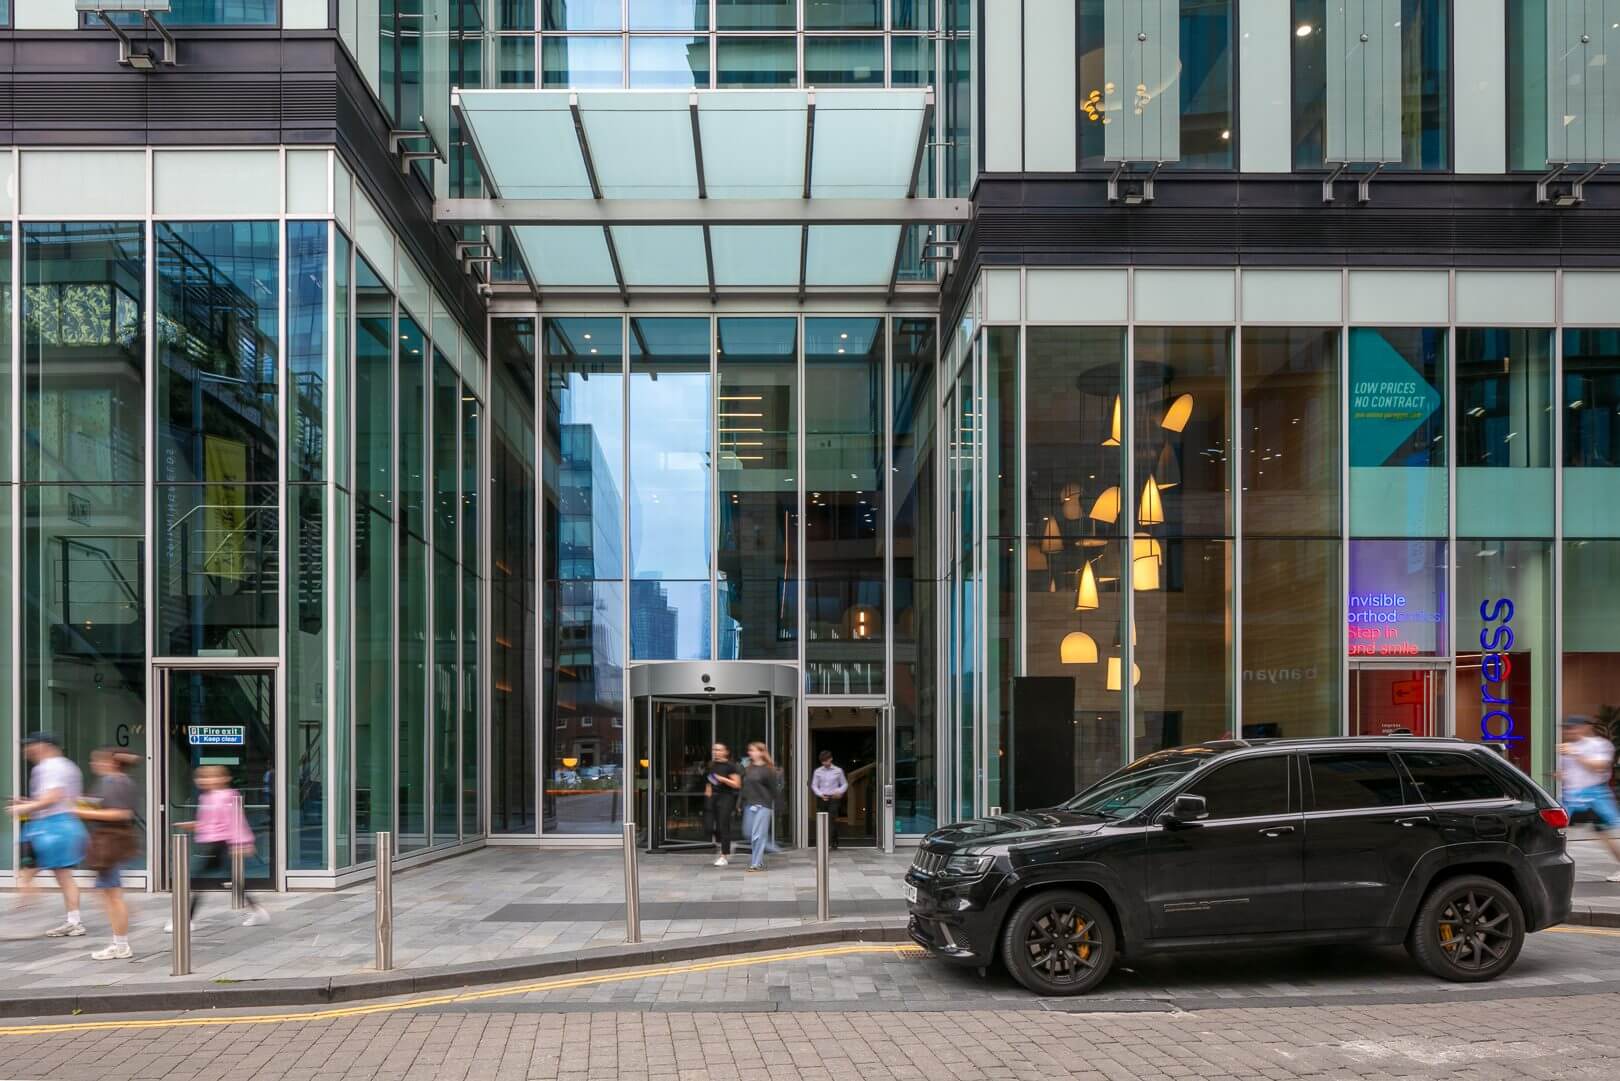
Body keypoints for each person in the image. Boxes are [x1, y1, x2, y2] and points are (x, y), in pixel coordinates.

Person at [6, 733, 87, 937]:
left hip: (51, 827)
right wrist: (28, 803)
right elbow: (57, 798)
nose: (26, 750)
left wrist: (24, 808)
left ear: (45, 746)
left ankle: (24, 912)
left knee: (29, 872)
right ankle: (73, 921)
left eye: (30, 745)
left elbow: (53, 796)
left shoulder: (50, 767)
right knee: (61, 875)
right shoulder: (67, 766)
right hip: (62, 825)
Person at [171, 765, 270, 930]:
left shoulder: (227, 796)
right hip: (211, 842)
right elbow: (209, 822)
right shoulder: (206, 797)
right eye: (201, 777)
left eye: (210, 777)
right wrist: (193, 825)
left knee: (200, 881)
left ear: (224, 779)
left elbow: (235, 822)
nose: (204, 781)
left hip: (221, 843)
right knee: (230, 881)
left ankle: (186, 920)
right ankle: (258, 911)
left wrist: (242, 842)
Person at [78, 749, 141, 960]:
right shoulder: (117, 781)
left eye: (97, 760)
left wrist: (83, 812)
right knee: (108, 893)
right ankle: (120, 940)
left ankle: (121, 944)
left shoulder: (114, 782)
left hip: (111, 843)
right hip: (112, 843)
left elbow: (121, 813)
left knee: (112, 895)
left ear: (110, 762)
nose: (93, 764)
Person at [1559, 716, 1620, 883]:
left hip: (1594, 799)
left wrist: (1575, 754)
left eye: (1572, 727)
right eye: (1566, 728)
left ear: (1585, 727)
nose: (1568, 731)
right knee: (1557, 831)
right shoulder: (1568, 747)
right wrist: (1560, 775)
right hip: (1572, 799)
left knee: (1604, 834)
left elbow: (1600, 767)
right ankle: (1552, 868)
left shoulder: (1599, 745)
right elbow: (1572, 774)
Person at [740, 741, 782, 873]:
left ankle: (756, 864)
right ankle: (768, 847)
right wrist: (739, 803)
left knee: (757, 835)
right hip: (749, 805)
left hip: (763, 806)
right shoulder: (749, 768)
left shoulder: (768, 770)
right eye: (749, 750)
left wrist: (779, 806)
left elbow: (774, 790)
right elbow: (744, 787)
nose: (750, 753)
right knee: (748, 833)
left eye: (753, 750)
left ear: (761, 752)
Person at [703, 742, 742, 867]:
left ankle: (724, 855)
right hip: (712, 798)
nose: (716, 752)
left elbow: (737, 784)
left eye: (719, 750)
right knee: (708, 827)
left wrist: (722, 779)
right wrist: (708, 791)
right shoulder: (711, 764)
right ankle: (726, 843)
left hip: (726, 798)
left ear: (726, 752)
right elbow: (709, 780)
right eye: (714, 749)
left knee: (723, 826)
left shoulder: (731, 766)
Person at [810, 750, 850, 850]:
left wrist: (839, 791)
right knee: (821, 820)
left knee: (832, 820)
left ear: (831, 759)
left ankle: (833, 842)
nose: (825, 763)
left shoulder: (838, 770)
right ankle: (822, 842)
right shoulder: (818, 771)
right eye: (823, 761)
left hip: (834, 798)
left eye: (826, 761)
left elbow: (845, 784)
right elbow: (814, 785)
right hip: (822, 798)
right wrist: (820, 794)